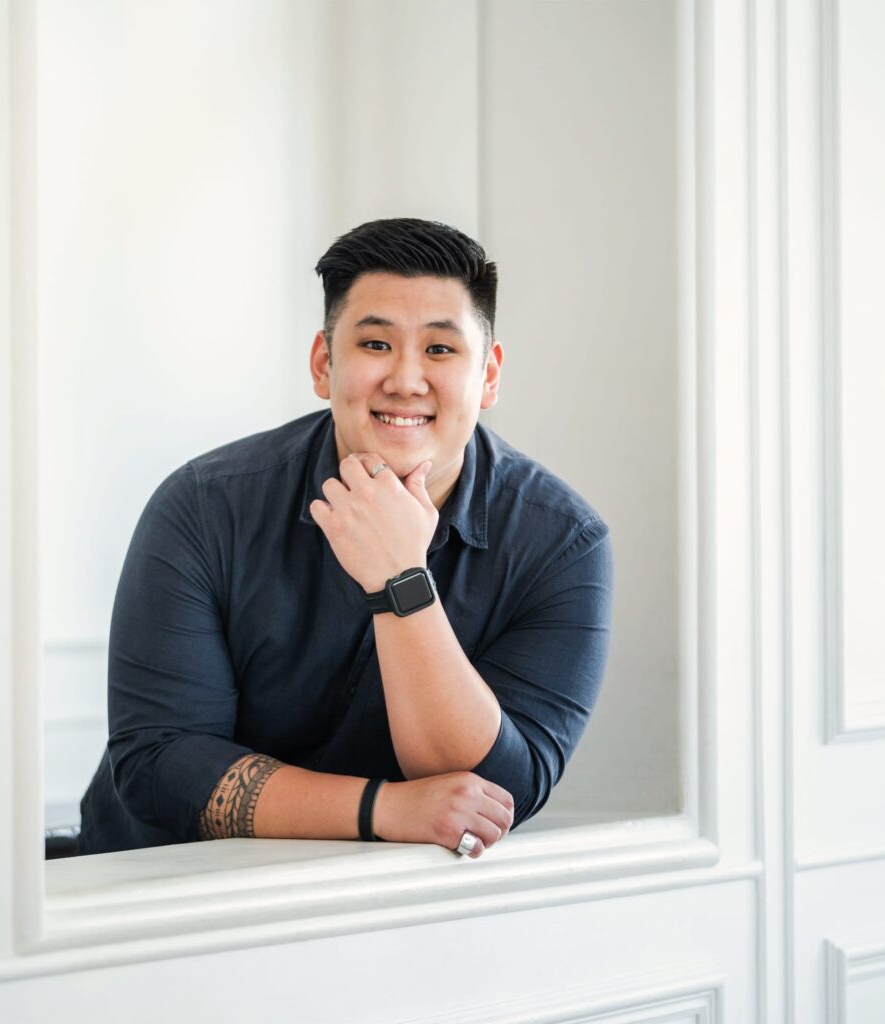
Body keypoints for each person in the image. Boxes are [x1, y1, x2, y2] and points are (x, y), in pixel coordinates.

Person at [76, 217, 614, 859]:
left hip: (388, 915)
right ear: (323, 364)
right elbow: (161, 765)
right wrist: (382, 809)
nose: (407, 380)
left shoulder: (563, 544)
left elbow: (499, 793)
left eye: (441, 350)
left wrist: (401, 582)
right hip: (155, 890)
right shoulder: (203, 506)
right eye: (376, 345)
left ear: (489, 375)